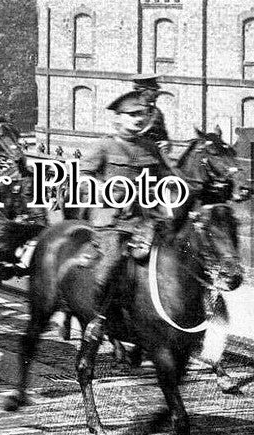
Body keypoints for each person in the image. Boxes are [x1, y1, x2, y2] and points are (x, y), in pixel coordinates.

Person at [78, 90, 187, 340]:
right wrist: (103, 190)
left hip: (148, 221)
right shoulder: (105, 146)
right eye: (132, 114)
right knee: (112, 264)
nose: (139, 119)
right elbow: (82, 177)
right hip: (113, 222)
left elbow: (169, 178)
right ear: (118, 118)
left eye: (143, 114)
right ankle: (98, 319)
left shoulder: (150, 148)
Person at [132, 73, 171, 155]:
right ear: (144, 91)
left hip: (153, 156)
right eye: (154, 90)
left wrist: (166, 143)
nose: (157, 94)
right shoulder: (129, 110)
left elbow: (163, 135)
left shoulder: (156, 112)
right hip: (132, 155)